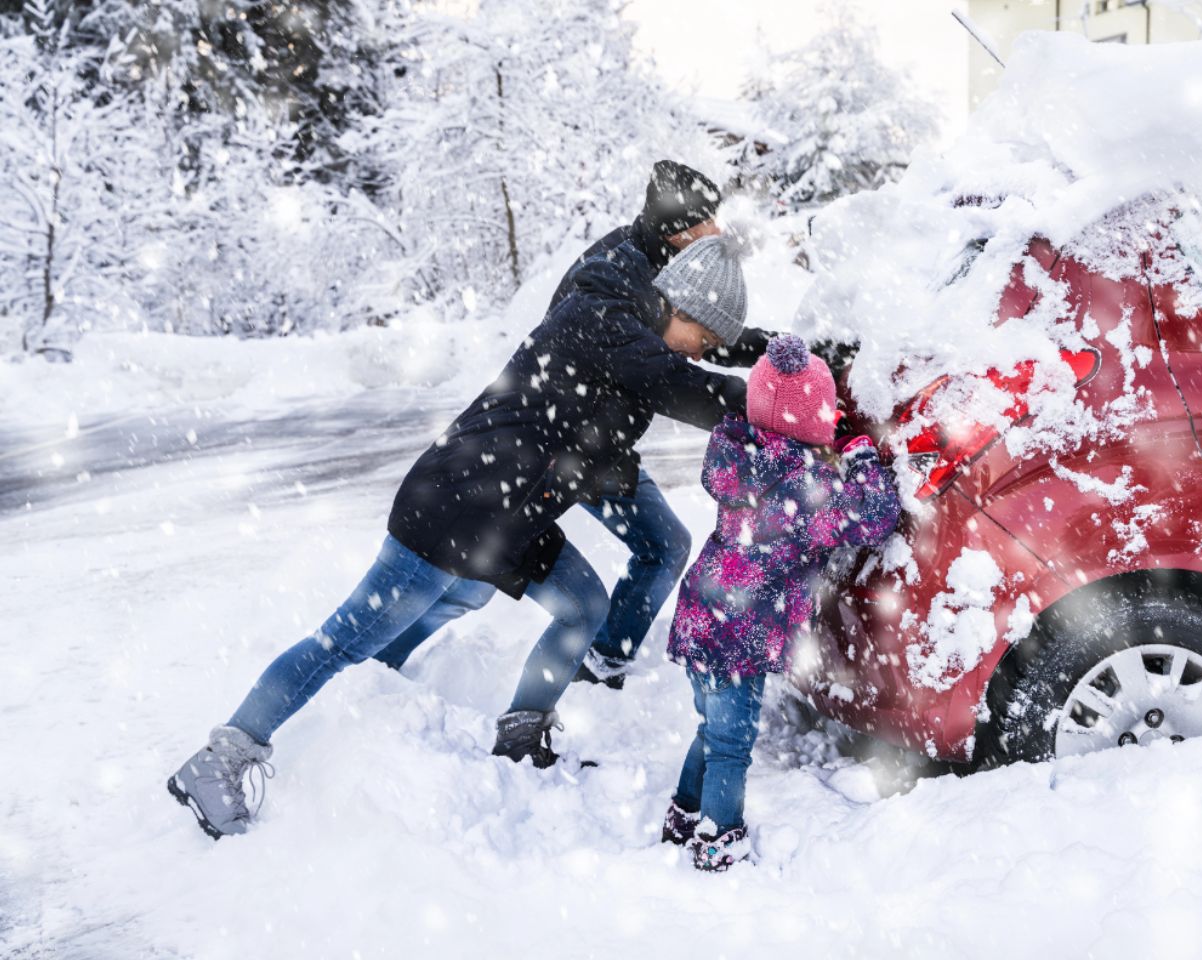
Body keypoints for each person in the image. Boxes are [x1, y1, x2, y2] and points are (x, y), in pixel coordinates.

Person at [167, 235, 750, 839]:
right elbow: (686, 388)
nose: (700, 355)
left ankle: (519, 735)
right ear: (680, 306)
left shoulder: (638, 338)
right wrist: (776, 405)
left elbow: (659, 387)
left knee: (580, 605)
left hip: (508, 519)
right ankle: (220, 759)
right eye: (703, 341)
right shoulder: (607, 324)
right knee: (344, 640)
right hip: (450, 511)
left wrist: (771, 364)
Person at [659, 335, 901, 872]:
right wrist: (860, 454)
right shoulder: (805, 490)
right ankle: (719, 839)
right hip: (737, 635)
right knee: (731, 745)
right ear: (811, 419)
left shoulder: (740, 459)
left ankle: (683, 815)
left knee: (711, 730)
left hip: (703, 616)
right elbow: (875, 512)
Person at [536, 160, 776, 691]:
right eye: (707, 220)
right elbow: (663, 375)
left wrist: (773, 352)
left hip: (601, 440)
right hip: (573, 440)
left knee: (664, 546)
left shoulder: (663, 264)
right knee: (452, 569)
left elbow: (707, 332)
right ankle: (599, 668)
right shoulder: (619, 272)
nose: (717, 230)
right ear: (679, 229)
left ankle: (603, 662)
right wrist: (762, 402)